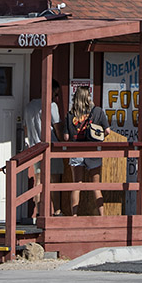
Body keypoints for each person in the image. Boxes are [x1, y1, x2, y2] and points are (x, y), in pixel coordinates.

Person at [65, 86, 114, 216]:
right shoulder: (97, 111)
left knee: (77, 185)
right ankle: (102, 216)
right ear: (88, 97)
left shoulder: (70, 115)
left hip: (76, 151)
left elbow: (66, 137)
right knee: (96, 186)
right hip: (93, 151)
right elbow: (107, 131)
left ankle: (74, 216)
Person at [22, 79, 62, 220]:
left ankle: (39, 213)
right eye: (56, 94)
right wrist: (63, 142)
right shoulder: (51, 106)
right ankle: (57, 211)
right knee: (54, 180)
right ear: (50, 91)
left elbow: (26, 129)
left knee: (38, 180)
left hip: (35, 148)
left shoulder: (29, 106)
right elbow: (57, 128)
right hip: (50, 147)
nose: (56, 98)